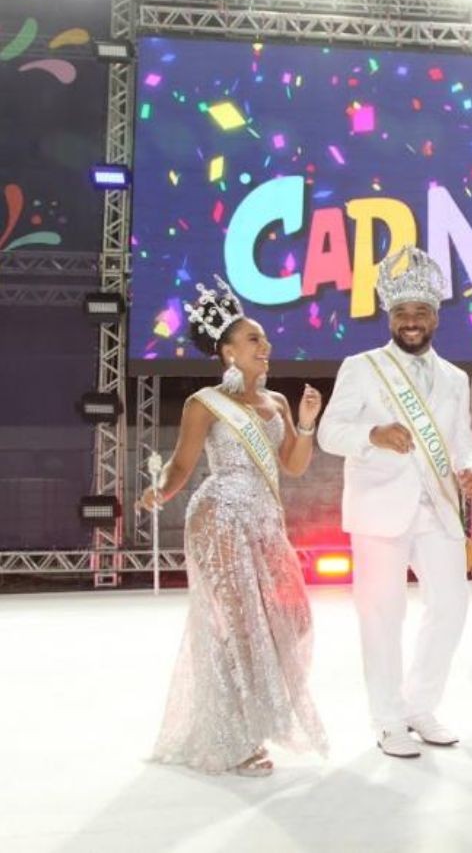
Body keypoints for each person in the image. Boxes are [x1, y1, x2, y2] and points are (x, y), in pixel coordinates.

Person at [143, 276, 327, 777]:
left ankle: (241, 718)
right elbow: (182, 465)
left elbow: (293, 466)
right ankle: (241, 738)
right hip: (220, 515)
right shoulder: (204, 403)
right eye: (253, 340)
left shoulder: (278, 402)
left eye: (264, 339)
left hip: (264, 519)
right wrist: (160, 490)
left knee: (294, 617)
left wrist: (306, 422)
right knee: (239, 625)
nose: (265, 346)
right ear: (228, 352)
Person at [318, 245, 472, 759]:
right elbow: (329, 432)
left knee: (451, 606)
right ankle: (388, 720)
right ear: (390, 316)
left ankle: (419, 706)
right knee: (382, 614)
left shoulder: (456, 378)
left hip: (437, 506)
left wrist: (470, 467)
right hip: (379, 506)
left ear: (435, 317)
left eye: (420, 312)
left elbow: (461, 441)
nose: (411, 321)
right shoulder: (362, 367)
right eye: (402, 312)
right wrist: (372, 434)